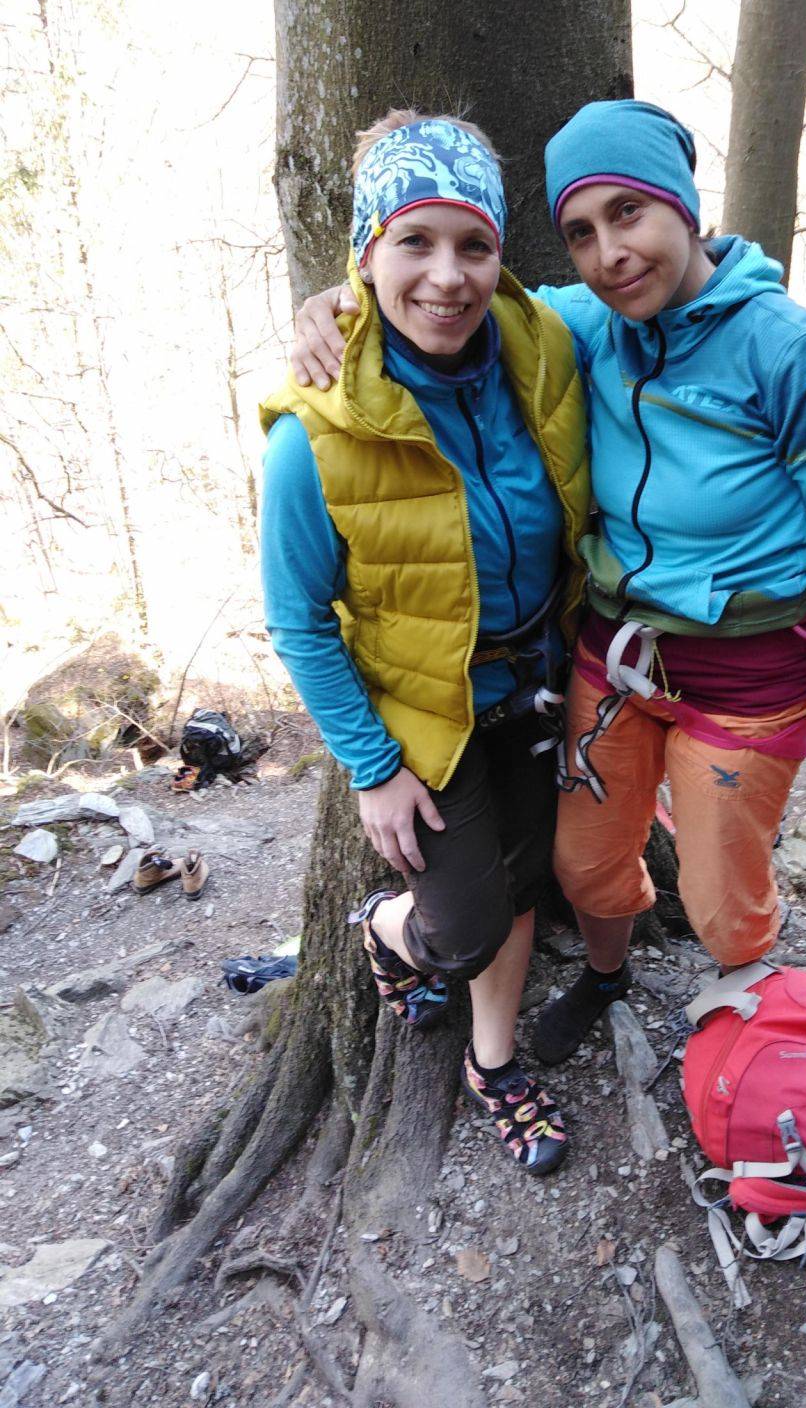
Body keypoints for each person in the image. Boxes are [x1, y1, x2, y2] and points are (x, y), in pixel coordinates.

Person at [289, 98, 806, 1067]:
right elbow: (445, 290)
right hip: (614, 658)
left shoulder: (790, 353)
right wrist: (333, 305)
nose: (610, 254)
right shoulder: (581, 325)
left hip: (749, 674)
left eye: (630, 213)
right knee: (583, 864)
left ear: (683, 206)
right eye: (581, 231)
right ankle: (608, 974)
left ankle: (757, 1038)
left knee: (721, 897)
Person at [260, 110, 590, 1175]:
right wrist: (372, 767)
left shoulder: (546, 346)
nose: (448, 277)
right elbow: (299, 621)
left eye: (473, 245)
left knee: (527, 885)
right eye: (414, 241)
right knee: (462, 925)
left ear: (501, 256)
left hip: (541, 687)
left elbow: (662, 289)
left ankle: (493, 1065)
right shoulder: (314, 435)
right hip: (422, 719)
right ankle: (381, 930)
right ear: (366, 254)